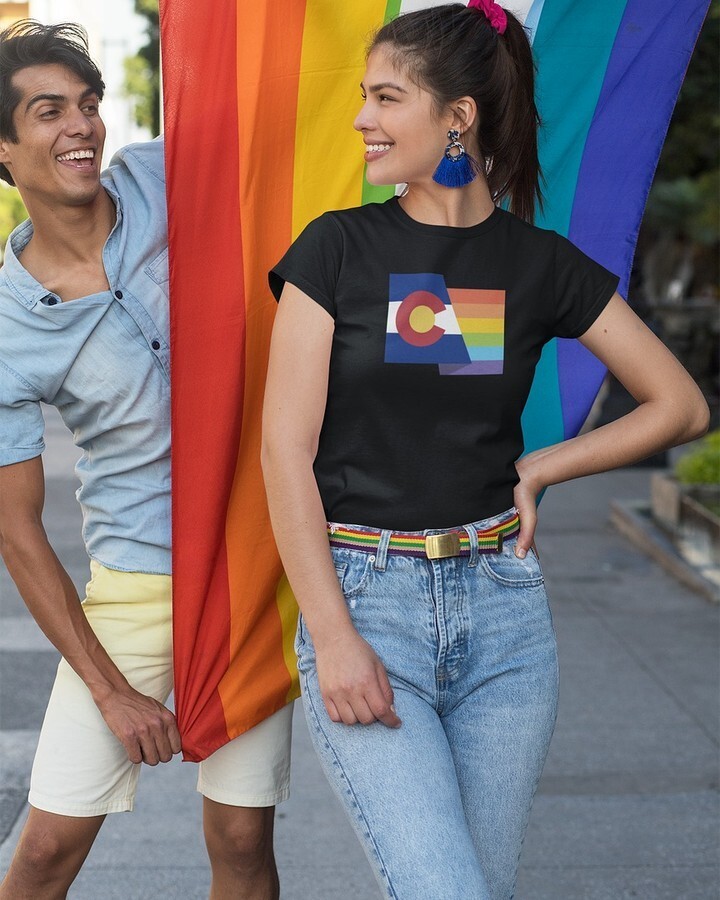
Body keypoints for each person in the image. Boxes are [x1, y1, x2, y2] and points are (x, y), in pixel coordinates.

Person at [261, 3, 709, 898]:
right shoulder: (337, 249)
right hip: (368, 604)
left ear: (456, 116)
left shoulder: (537, 263)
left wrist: (544, 466)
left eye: (386, 98)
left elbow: (680, 404)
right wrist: (334, 635)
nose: (362, 120)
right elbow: (284, 450)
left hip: (504, 623)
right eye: (363, 97)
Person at [0, 21, 292, 900]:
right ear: (5, 150)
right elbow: (17, 531)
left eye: (87, 105)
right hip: (138, 584)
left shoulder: (168, 176)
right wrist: (112, 690)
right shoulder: (9, 325)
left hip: (250, 567)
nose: (80, 127)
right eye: (47, 112)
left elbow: (281, 124)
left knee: (241, 837)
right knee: (47, 849)